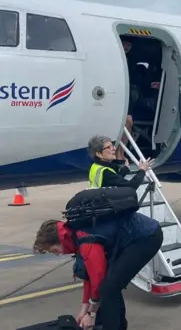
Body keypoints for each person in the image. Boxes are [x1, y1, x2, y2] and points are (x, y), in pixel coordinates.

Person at [32, 207, 162, 329]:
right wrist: (84, 309)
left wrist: (91, 314)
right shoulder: (74, 234)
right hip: (128, 238)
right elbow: (89, 276)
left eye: (55, 250)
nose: (57, 253)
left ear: (60, 240)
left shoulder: (86, 241)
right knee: (109, 287)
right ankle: (115, 324)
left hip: (146, 237)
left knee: (109, 288)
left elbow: (98, 278)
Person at [87, 135, 152, 189]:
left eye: (112, 145)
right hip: (109, 202)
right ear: (99, 154)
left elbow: (112, 180)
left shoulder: (95, 166)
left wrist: (125, 169)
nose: (114, 148)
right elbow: (131, 186)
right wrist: (142, 170)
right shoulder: (106, 172)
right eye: (109, 147)